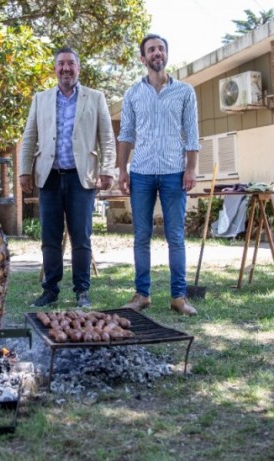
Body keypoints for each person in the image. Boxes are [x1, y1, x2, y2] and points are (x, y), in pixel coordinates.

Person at [19, 47, 116, 309]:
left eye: (71, 63)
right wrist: (24, 170)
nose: (66, 68)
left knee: (81, 238)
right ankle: (50, 289)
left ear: (78, 67)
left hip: (80, 178)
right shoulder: (41, 99)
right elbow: (29, 137)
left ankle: (82, 290)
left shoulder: (95, 98)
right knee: (49, 237)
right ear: (54, 68)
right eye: (61, 63)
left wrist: (108, 169)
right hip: (48, 177)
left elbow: (107, 136)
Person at [116, 34, 200, 316]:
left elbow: (192, 134)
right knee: (142, 235)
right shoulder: (132, 94)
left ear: (166, 54)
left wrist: (191, 168)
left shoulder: (185, 92)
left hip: (174, 173)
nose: (156, 53)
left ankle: (179, 297)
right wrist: (121, 170)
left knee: (175, 236)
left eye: (161, 48)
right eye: (151, 49)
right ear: (143, 58)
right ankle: (142, 295)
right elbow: (126, 135)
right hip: (140, 173)